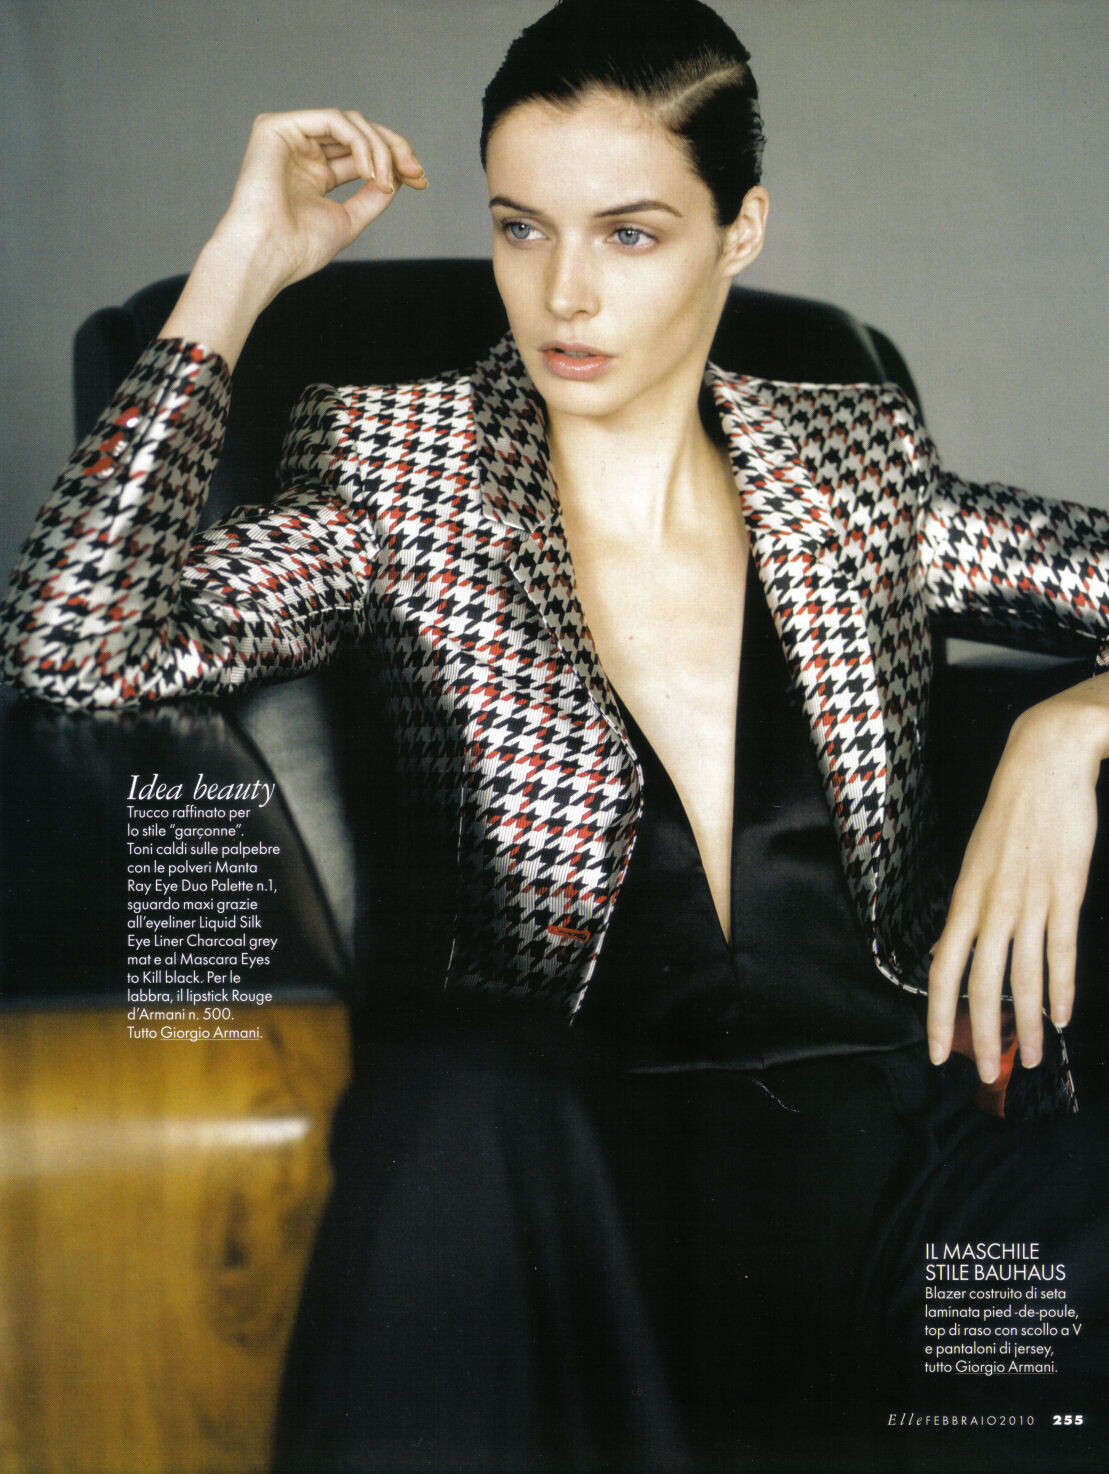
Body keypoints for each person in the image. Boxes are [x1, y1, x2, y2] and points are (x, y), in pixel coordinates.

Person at [2, 1, 1108, 1469]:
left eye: (629, 234)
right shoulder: (402, 468)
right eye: (521, 228)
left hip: (902, 1177)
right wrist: (242, 264)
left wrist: (1072, 723)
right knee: (461, 1131)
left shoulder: (852, 463)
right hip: (581, 1169)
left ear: (741, 228)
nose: (563, 293)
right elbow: (76, 647)